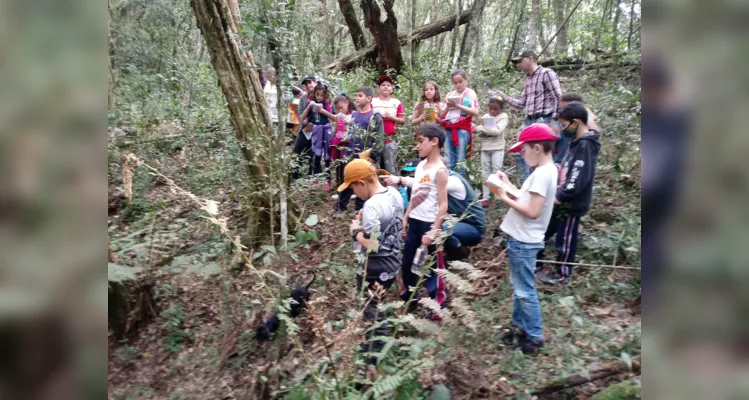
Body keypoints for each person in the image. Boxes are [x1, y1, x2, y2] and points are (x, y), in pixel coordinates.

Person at [487, 123, 558, 355]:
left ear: (537, 148)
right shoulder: (548, 170)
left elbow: (532, 211)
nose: (522, 154)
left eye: (523, 150)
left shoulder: (541, 174)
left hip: (524, 240)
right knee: (519, 287)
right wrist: (507, 185)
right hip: (525, 239)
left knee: (525, 290)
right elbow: (527, 199)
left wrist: (502, 196)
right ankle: (519, 329)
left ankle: (535, 337)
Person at [339, 159, 404, 364]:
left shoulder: (371, 205)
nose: (353, 194)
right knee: (379, 302)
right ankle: (379, 341)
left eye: (352, 188)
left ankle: (376, 355)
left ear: (362, 183)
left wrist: (356, 232)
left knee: (372, 307)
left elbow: (373, 245)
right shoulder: (393, 193)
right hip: (394, 259)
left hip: (376, 266)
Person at [536, 102, 601, 285]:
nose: (563, 130)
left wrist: (562, 195)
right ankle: (537, 262)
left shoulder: (586, 145)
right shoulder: (577, 142)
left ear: (576, 122)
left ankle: (562, 273)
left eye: (565, 125)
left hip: (571, 202)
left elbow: (578, 175)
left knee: (565, 238)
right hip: (562, 196)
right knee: (545, 230)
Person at [398, 124, 449, 316]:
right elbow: (416, 195)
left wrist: (434, 229)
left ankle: (438, 306)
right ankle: (410, 298)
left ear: (434, 142)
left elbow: (443, 204)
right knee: (408, 262)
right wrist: (406, 216)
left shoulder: (440, 170)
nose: (417, 146)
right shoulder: (420, 165)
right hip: (414, 222)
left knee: (431, 267)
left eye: (420, 141)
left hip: (429, 224)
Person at [496, 50, 562, 182]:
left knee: (544, 153)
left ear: (530, 59)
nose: (518, 65)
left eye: (520, 61)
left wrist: (554, 120)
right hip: (529, 121)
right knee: (520, 151)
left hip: (545, 119)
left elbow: (558, 96)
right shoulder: (528, 81)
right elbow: (521, 104)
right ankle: (527, 184)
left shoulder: (546, 73)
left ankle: (549, 186)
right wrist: (506, 98)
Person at [337, 87, 385, 212]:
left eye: (360, 96)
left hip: (365, 157)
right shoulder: (355, 115)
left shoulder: (375, 116)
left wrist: (373, 156)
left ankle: (361, 210)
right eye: (356, 95)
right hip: (351, 154)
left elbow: (379, 138)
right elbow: (352, 134)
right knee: (347, 179)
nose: (357, 98)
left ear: (368, 99)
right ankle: (341, 207)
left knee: (363, 182)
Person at [440, 70, 480, 175]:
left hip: (462, 129)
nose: (458, 85)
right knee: (448, 159)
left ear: (466, 80)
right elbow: (442, 116)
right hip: (449, 129)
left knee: (460, 160)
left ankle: (460, 184)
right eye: (455, 82)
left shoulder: (470, 93)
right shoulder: (449, 94)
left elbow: (475, 112)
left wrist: (458, 106)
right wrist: (448, 107)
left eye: (460, 81)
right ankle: (449, 183)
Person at [474, 97, 509, 203]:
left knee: (496, 172)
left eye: (496, 109)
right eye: (490, 109)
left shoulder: (503, 117)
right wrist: (477, 130)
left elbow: (497, 130)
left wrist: (480, 128)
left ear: (501, 108)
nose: (493, 111)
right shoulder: (486, 117)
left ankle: (497, 196)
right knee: (485, 172)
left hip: (497, 148)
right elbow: (484, 132)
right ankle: (486, 197)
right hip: (485, 148)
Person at [300, 82, 334, 189]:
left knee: (327, 156)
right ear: (314, 94)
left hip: (326, 131)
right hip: (316, 132)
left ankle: (327, 180)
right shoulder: (311, 103)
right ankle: (316, 180)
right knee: (316, 155)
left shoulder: (327, 104)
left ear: (325, 95)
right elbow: (302, 117)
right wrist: (309, 106)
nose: (319, 97)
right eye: (317, 95)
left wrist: (323, 111)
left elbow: (334, 117)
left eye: (322, 95)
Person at [550, 93, 601, 165]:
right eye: (560, 109)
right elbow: (554, 150)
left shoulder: (585, 132)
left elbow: (596, 131)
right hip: (559, 165)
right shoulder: (560, 125)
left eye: (566, 109)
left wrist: (584, 112)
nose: (562, 112)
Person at [317, 94, 353, 190]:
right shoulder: (340, 115)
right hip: (339, 143)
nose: (340, 111)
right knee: (339, 165)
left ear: (347, 103)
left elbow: (354, 124)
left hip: (349, 145)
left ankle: (349, 187)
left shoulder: (354, 114)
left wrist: (347, 122)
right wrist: (322, 111)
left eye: (341, 108)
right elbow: (334, 117)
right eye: (338, 109)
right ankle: (340, 186)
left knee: (347, 165)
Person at [371, 75, 406, 175]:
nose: (386, 87)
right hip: (375, 140)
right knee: (374, 167)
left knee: (390, 167)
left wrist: (392, 118)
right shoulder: (373, 101)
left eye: (388, 85)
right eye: (383, 85)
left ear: (392, 89)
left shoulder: (396, 102)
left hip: (390, 139)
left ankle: (392, 189)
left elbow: (402, 120)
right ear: (379, 88)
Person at [292, 75, 318, 178]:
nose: (308, 85)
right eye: (306, 84)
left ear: (315, 82)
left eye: (310, 82)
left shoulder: (321, 95)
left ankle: (312, 176)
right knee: (296, 151)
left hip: (317, 130)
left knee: (313, 154)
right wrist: (305, 123)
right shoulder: (303, 98)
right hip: (305, 129)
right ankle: (294, 176)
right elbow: (299, 113)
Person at [263, 68, 279, 133]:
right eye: (268, 75)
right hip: (266, 113)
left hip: (276, 115)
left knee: (274, 133)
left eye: (272, 75)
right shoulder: (266, 85)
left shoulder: (280, 86)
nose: (270, 76)